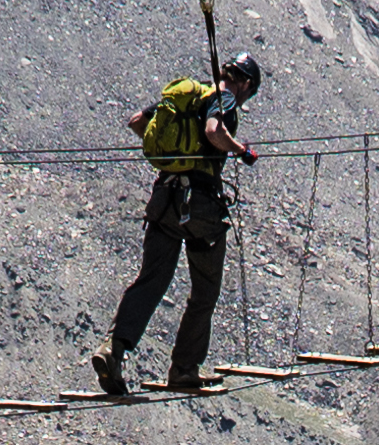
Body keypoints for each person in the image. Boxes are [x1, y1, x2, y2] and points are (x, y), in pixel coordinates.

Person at [97, 49, 264, 397]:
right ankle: (184, 369)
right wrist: (241, 150)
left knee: (151, 281)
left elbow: (137, 122)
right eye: (250, 92)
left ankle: (112, 349)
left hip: (164, 201)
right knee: (205, 290)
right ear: (246, 83)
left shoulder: (189, 96)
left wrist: (175, 155)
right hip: (200, 207)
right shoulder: (224, 100)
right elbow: (214, 131)